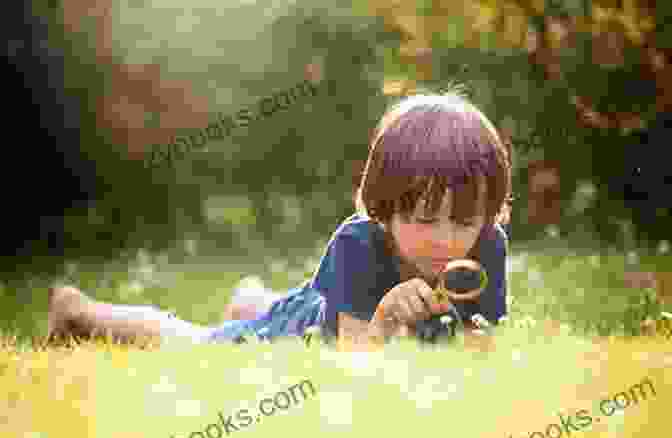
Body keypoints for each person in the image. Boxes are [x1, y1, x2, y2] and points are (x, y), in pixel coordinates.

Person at [47, 88, 512, 350]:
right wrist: (386, 317)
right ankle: (78, 312)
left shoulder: (486, 245)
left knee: (281, 303)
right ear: (384, 209)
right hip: (314, 326)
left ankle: (252, 299)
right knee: (200, 344)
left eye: (463, 221)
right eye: (425, 219)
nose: (445, 238)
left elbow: (481, 349)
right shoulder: (359, 244)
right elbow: (355, 366)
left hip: (321, 299)